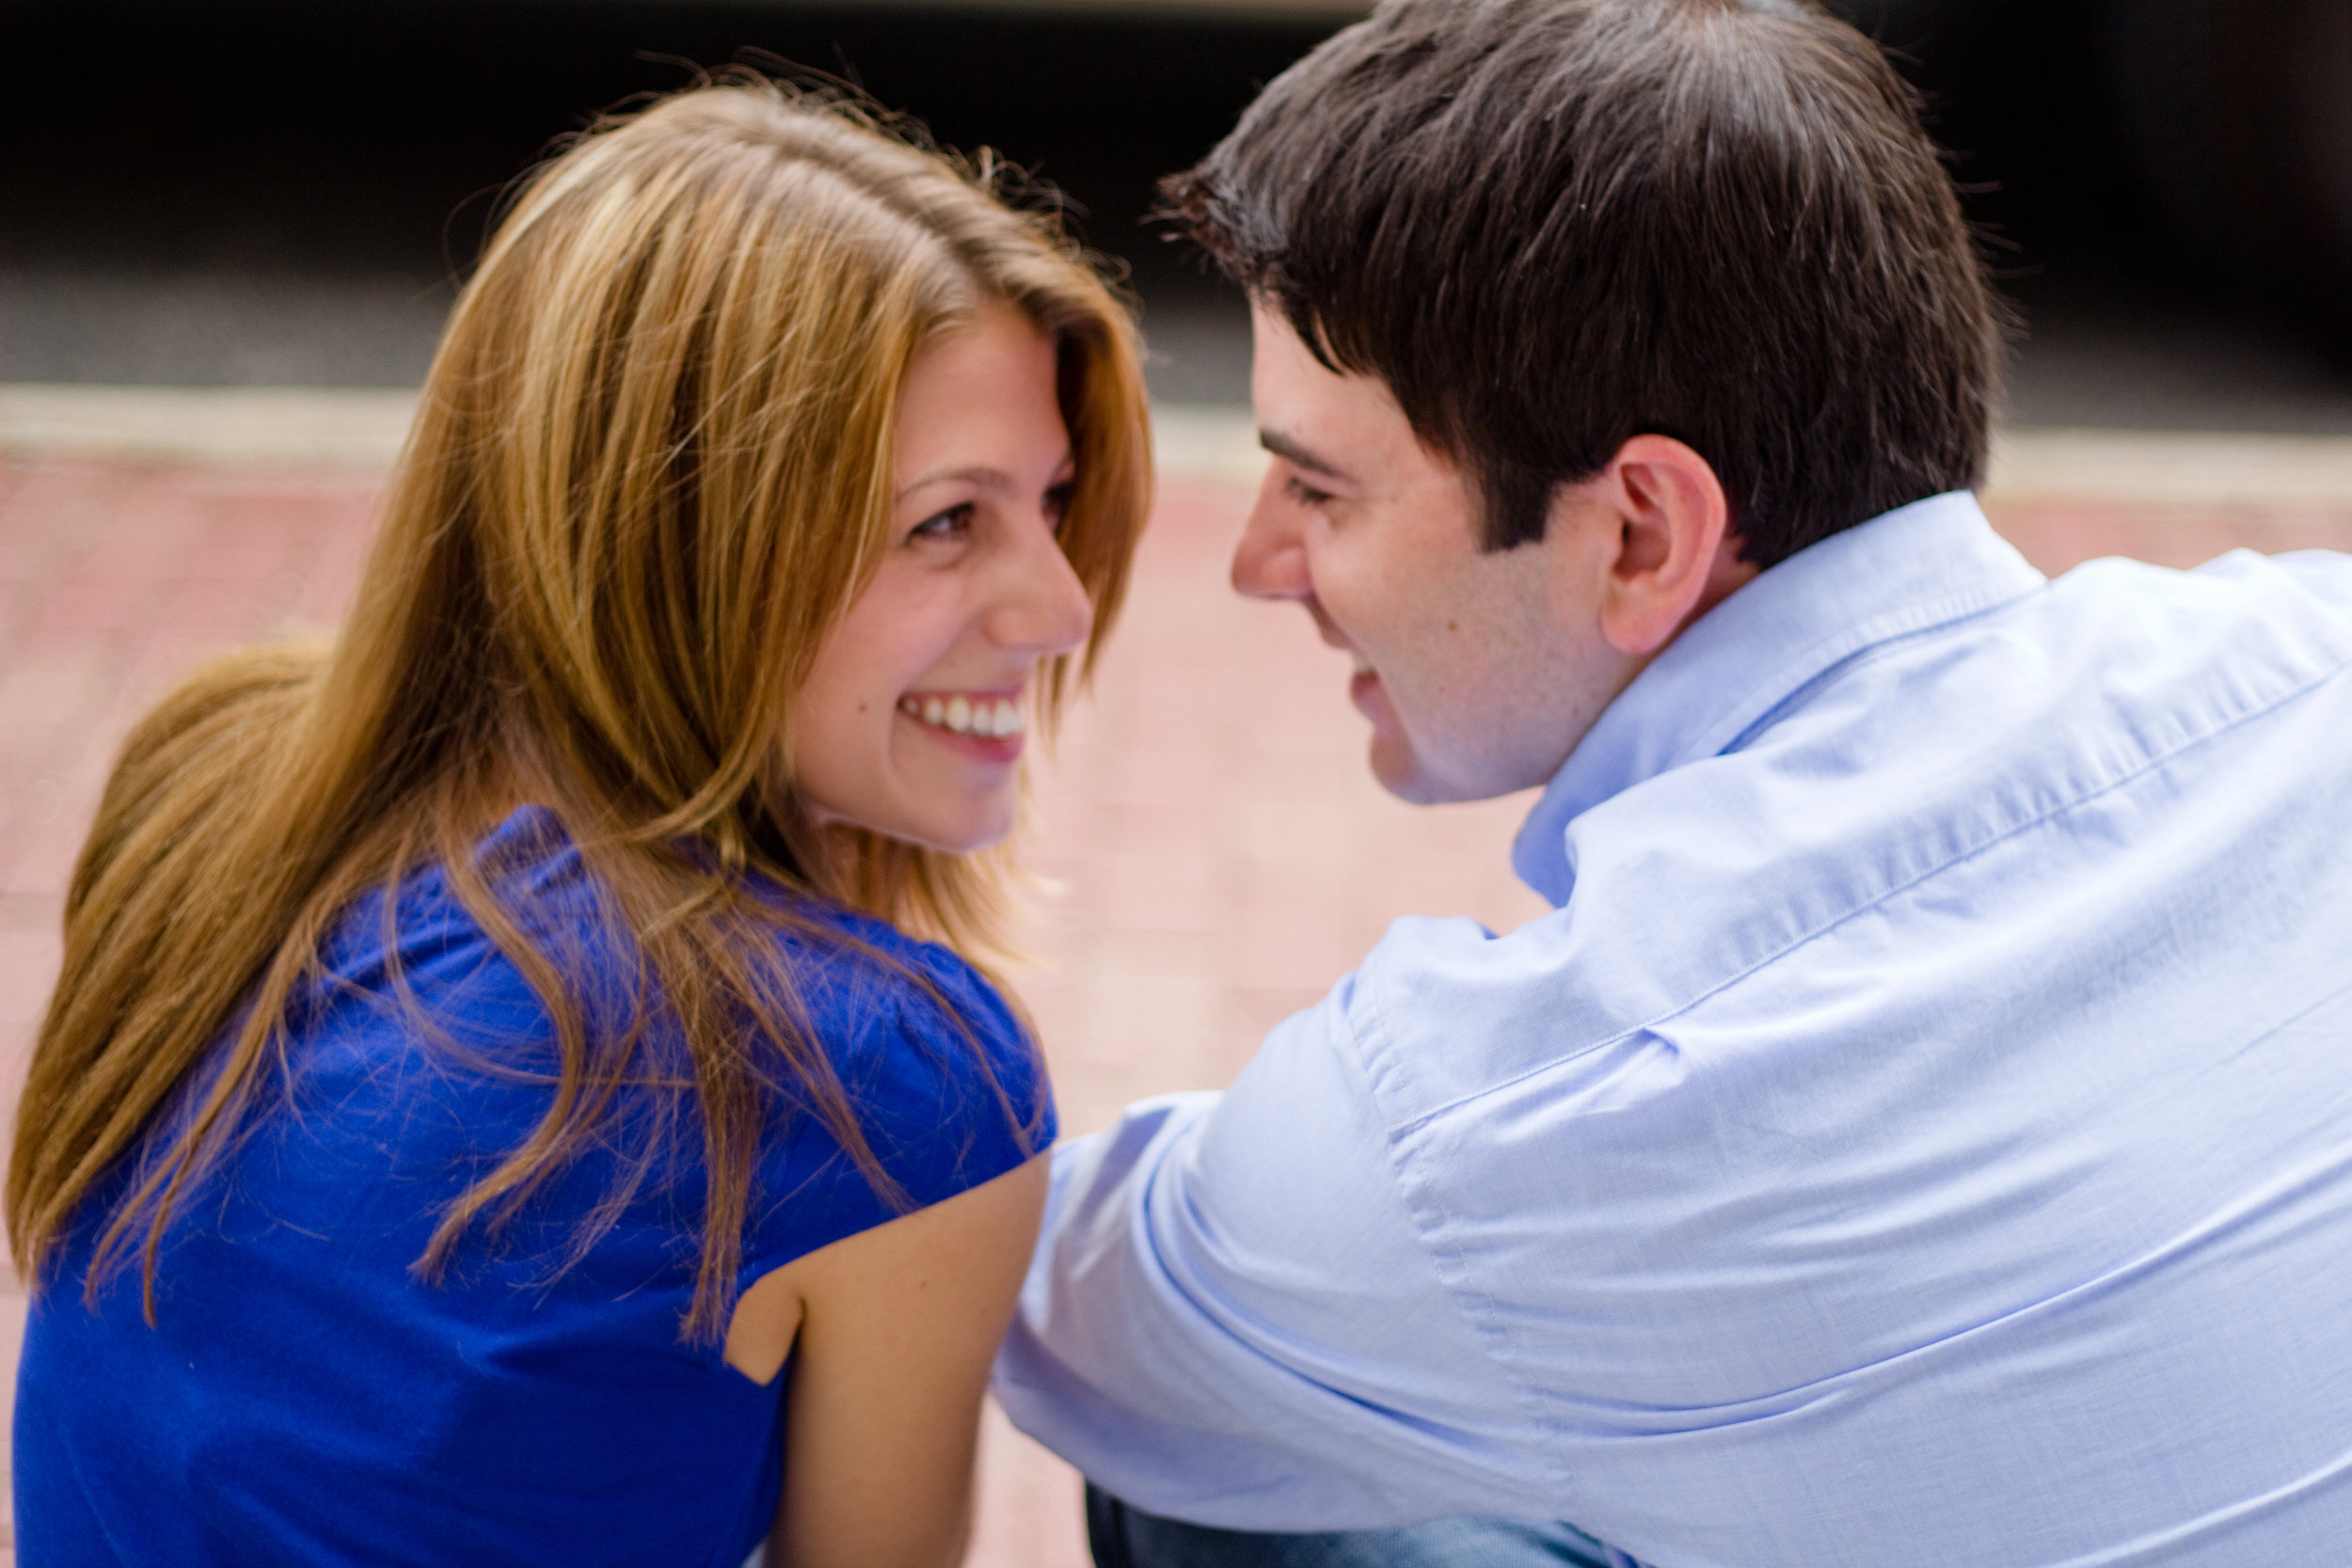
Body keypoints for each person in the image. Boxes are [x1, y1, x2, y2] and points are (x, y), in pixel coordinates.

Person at [993, 1, 2352, 1564]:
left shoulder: (1506, 1124)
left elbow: (1049, 1318)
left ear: (1641, 531)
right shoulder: (2310, 653)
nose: (1256, 561)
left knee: (1223, 1480)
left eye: (1319, 486)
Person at [8, 77, 1150, 1567]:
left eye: (1053, 503)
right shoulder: (883, 1083)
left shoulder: (216, 778)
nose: (1060, 609)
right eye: (947, 522)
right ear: (683, 542)